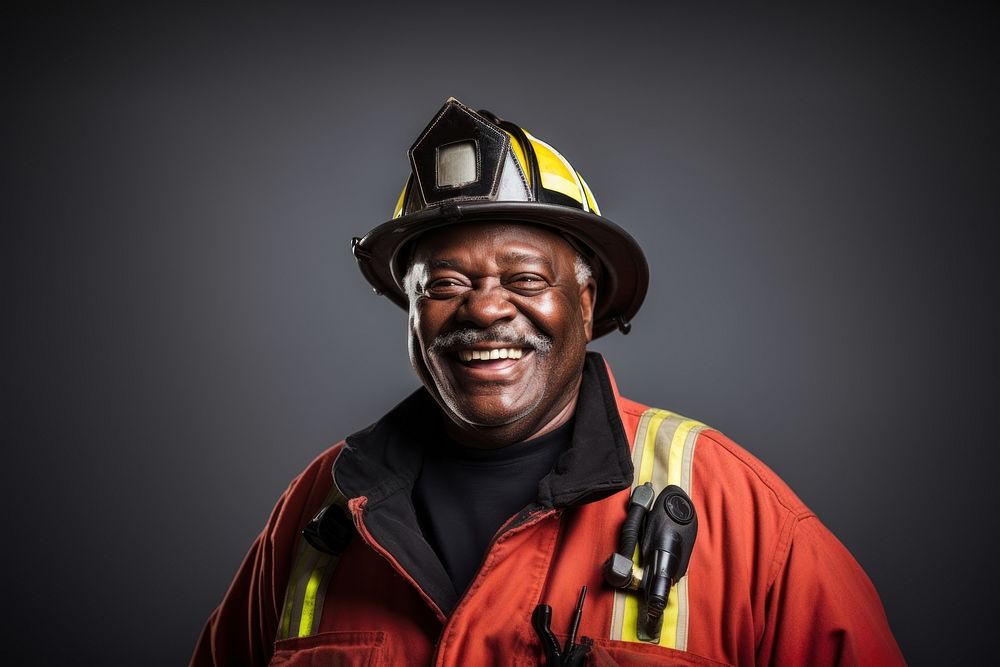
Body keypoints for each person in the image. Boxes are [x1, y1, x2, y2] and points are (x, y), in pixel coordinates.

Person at [191, 98, 904, 666]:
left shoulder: (745, 521)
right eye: (444, 282)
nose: (484, 307)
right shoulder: (320, 516)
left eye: (525, 278)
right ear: (409, 309)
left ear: (587, 301)